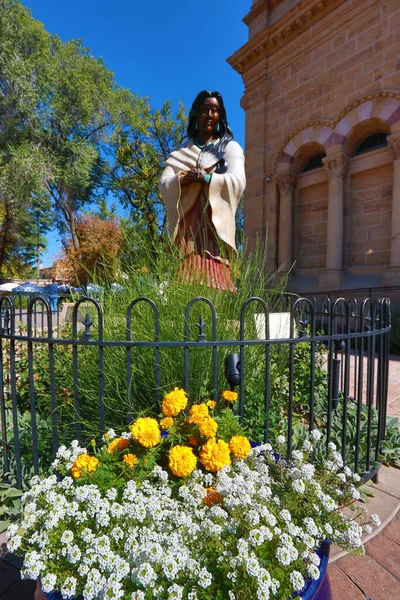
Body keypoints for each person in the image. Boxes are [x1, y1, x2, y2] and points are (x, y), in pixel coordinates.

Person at [159, 90, 246, 291]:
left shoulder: (229, 149)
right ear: (196, 115)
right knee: (185, 277)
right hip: (188, 227)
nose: (208, 115)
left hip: (215, 226)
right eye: (204, 110)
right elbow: (164, 183)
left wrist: (207, 179)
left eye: (214, 110)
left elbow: (238, 180)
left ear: (220, 117)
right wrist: (182, 179)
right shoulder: (181, 153)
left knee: (216, 276)